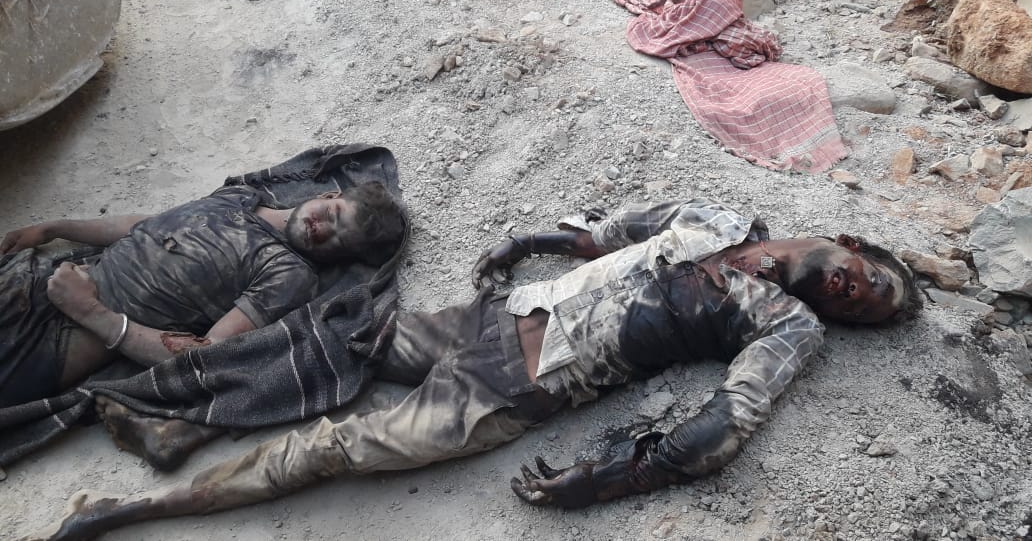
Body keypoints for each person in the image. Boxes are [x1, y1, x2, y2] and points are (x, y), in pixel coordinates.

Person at [22, 198, 921, 541]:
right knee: (333, 338)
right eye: (870, 281)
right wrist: (522, 242)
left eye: (865, 311)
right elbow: (605, 233)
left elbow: (727, 423)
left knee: (337, 448)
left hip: (517, 386)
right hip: (493, 317)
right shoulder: (721, 218)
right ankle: (179, 422)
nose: (854, 295)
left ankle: (128, 511)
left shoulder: (789, 325)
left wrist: (611, 475)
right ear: (853, 244)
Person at [0, 181, 406, 408]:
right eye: (334, 215)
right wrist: (55, 228)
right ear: (330, 196)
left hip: (51, 341)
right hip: (36, 280)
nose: (323, 229)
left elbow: (203, 356)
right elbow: (147, 225)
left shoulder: (289, 274)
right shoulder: (240, 196)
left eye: (338, 240)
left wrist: (88, 310)